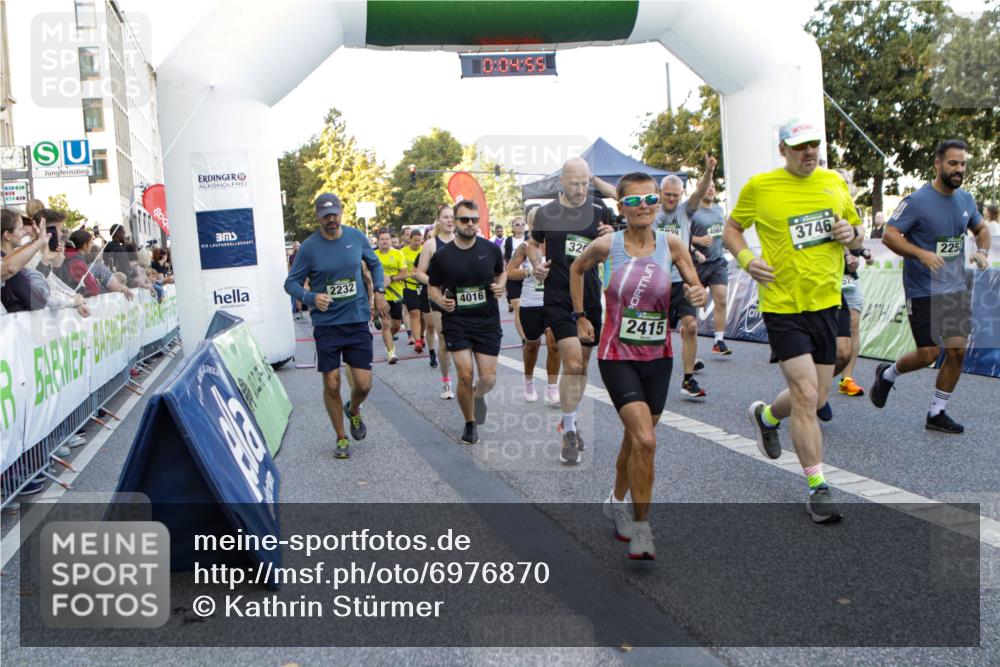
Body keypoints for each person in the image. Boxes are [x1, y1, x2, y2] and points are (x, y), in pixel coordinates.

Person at [723, 118, 864, 523]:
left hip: (827, 301)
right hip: (783, 305)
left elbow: (857, 232)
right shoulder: (761, 186)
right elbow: (733, 229)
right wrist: (748, 260)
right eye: (800, 146)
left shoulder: (834, 182)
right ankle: (818, 488)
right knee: (804, 395)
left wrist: (850, 232)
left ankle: (766, 417)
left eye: (814, 146)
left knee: (818, 397)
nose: (809, 153)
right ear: (783, 149)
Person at [573, 172, 707, 560]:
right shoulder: (606, 245)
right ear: (621, 207)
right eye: (634, 201)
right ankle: (642, 527)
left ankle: (615, 500)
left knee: (636, 440)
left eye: (649, 199)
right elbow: (577, 270)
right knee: (646, 440)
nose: (644, 206)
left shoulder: (671, 244)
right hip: (617, 356)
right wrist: (580, 315)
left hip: (658, 357)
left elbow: (692, 287)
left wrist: (694, 297)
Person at [870, 139, 991, 433]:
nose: (959, 169)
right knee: (928, 354)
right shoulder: (917, 201)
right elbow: (890, 235)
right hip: (923, 288)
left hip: (954, 288)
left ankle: (937, 413)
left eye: (962, 164)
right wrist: (921, 254)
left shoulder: (966, 200)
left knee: (957, 352)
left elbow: (982, 229)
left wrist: (982, 251)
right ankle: (887, 374)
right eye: (953, 163)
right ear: (937, 164)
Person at [285, 193, 390, 459]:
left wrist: (378, 291)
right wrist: (311, 297)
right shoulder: (309, 247)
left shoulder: (355, 238)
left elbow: (375, 264)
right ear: (318, 217)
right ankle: (341, 437)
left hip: (356, 320)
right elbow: (291, 284)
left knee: (364, 385)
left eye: (334, 214)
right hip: (327, 325)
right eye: (325, 216)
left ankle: (353, 409)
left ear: (341, 212)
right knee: (331, 383)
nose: (331, 220)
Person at [526, 158, 616, 465]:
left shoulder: (600, 210)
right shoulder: (546, 212)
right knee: (574, 363)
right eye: (574, 183)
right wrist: (537, 263)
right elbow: (532, 244)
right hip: (558, 298)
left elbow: (614, 245)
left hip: (589, 298)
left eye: (585, 184)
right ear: (562, 182)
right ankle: (569, 431)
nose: (580, 190)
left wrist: (609, 236)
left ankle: (570, 420)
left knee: (584, 364)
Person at [427, 200, 506, 446]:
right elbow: (431, 287)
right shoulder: (442, 256)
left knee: (488, 379)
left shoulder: (490, 250)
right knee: (464, 374)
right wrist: (440, 300)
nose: (470, 224)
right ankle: (470, 422)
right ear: (456, 222)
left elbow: (501, 272)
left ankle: (477, 396)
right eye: (464, 220)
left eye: (474, 219)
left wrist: (501, 285)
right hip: (457, 321)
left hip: (487, 321)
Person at [656, 154, 717, 399]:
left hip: (682, 278)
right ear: (660, 193)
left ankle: (688, 379)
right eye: (667, 194)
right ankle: (650, 373)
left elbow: (700, 190)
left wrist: (709, 171)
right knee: (657, 332)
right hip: (656, 280)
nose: (671, 199)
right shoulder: (650, 211)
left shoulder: (685, 211)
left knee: (690, 326)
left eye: (676, 195)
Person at [506, 234, 560, 404]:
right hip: (531, 304)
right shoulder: (525, 246)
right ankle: (528, 381)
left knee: (554, 344)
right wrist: (530, 272)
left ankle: (552, 388)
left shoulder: (556, 243)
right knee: (531, 345)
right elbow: (509, 272)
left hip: (553, 303)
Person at [413, 205, 456, 399]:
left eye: (452, 217)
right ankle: (446, 382)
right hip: (438, 297)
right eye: (445, 217)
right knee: (445, 341)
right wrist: (434, 283)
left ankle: (465, 376)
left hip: (462, 296)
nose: (449, 220)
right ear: (439, 220)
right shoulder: (431, 244)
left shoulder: (464, 241)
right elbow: (419, 273)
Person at [689, 178, 732, 355]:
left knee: (721, 299)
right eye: (707, 187)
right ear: (700, 189)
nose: (711, 189)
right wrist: (697, 240)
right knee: (693, 306)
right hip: (696, 264)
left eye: (713, 187)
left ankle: (719, 341)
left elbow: (722, 233)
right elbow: (679, 233)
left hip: (717, 262)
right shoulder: (692, 211)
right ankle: (691, 348)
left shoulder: (719, 210)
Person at [374, 228, 408, 364]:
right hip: (381, 295)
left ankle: (386, 336)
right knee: (386, 325)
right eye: (382, 239)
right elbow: (368, 274)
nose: (385, 241)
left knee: (397, 325)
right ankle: (391, 353)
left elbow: (405, 273)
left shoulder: (398, 254)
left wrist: (391, 279)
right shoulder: (373, 255)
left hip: (396, 294)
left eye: (387, 239)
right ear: (378, 241)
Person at [400, 228, 425, 352]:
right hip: (408, 286)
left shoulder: (425, 251)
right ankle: (418, 341)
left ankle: (421, 335)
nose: (417, 243)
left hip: (423, 286)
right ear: (410, 239)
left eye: (420, 240)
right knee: (414, 313)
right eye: (415, 240)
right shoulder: (403, 252)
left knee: (423, 315)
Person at [503, 217, 528, 315]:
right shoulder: (508, 241)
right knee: (517, 307)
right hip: (513, 277)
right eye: (517, 224)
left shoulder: (530, 239)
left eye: (523, 224)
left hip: (527, 276)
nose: (521, 226)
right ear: (512, 228)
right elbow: (503, 256)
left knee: (526, 307)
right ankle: (522, 330)